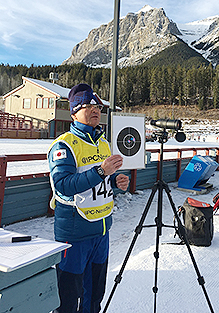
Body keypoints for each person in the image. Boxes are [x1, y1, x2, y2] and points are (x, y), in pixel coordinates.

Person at [48, 83, 129, 313]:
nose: (95, 110)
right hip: (75, 234)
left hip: (101, 232)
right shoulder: (64, 145)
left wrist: (115, 181)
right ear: (74, 111)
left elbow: (100, 179)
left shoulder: (103, 143)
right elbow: (63, 185)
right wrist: (101, 172)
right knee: (68, 300)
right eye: (88, 105)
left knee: (94, 297)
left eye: (98, 107)